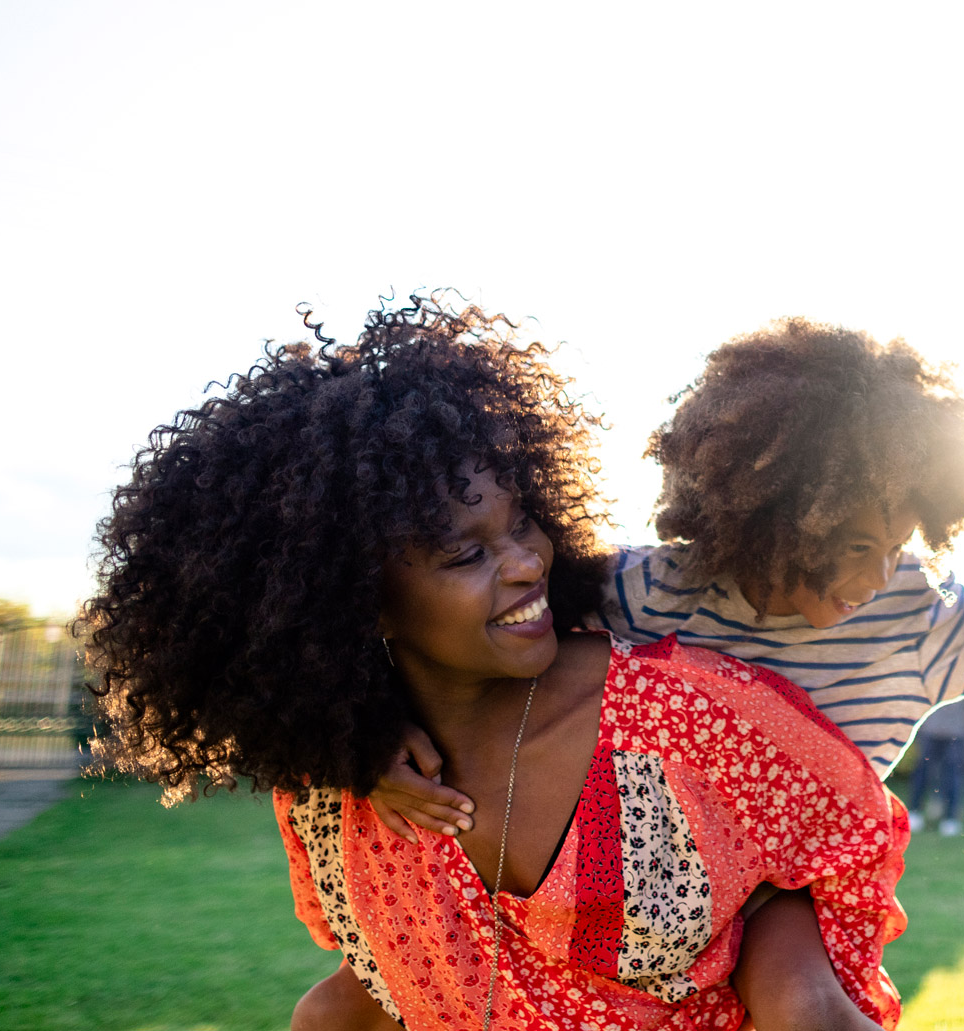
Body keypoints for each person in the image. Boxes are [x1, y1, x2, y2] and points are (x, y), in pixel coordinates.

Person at [81, 300, 906, 1031]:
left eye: (522, 523)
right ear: (349, 597)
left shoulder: (687, 717)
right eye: (463, 552)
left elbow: (848, 839)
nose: (523, 563)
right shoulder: (334, 786)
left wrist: (789, 969)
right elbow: (378, 981)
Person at [375, 319, 964, 841]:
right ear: (758, 518)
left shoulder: (913, 616)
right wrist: (366, 734)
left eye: (895, 541)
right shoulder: (650, 592)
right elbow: (476, 644)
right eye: (850, 544)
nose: (877, 571)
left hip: (806, 918)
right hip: (653, 920)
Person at [905, 697, 964, 834]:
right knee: (922, 772)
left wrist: (958, 724)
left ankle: (951, 818)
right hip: (930, 731)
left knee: (953, 775)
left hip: (955, 734)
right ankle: (914, 811)